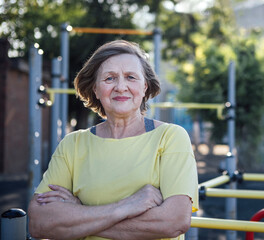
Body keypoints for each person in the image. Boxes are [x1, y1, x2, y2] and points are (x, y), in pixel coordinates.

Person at [28, 40, 198, 240]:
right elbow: (39, 223)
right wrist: (126, 206)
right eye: (109, 78)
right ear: (96, 90)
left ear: (145, 87)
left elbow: (174, 221)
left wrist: (80, 213)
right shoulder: (72, 144)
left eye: (130, 77)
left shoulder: (170, 137)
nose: (121, 87)